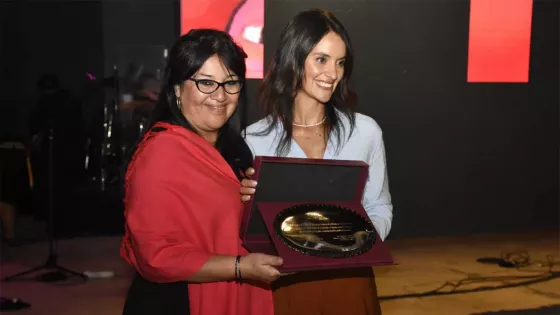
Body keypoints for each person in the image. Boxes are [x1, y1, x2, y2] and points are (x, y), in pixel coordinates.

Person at [239, 9, 393, 315]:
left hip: (350, 283)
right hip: (286, 287)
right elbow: (243, 232)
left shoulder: (365, 133)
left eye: (340, 62)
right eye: (321, 59)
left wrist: (350, 246)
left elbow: (379, 207)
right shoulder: (253, 140)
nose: (333, 73)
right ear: (294, 59)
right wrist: (240, 203)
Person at [120, 29, 283, 315]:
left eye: (231, 83)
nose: (220, 96)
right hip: (176, 301)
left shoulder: (236, 149)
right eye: (206, 83)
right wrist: (240, 267)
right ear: (176, 89)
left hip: (237, 293)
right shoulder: (161, 153)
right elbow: (155, 255)